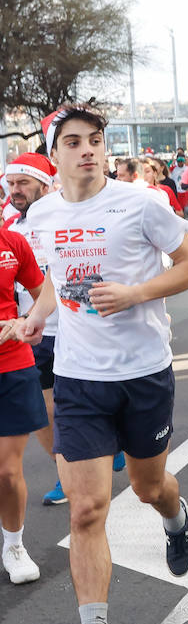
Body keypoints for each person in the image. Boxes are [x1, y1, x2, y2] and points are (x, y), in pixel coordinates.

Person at [8, 104, 188, 624]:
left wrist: (136, 293)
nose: (87, 150)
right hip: (77, 379)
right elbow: (54, 278)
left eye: (95, 140)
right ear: (55, 153)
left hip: (143, 372)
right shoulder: (41, 215)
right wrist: (37, 316)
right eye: (74, 142)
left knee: (148, 487)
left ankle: (176, 515)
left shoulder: (141, 202)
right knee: (87, 508)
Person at [4, 154, 72, 508]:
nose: (15, 190)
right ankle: (65, 472)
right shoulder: (11, 229)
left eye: (23, 183)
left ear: (44, 185)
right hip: (36, 331)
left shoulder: (67, 216)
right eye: (10, 183)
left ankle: (110, 444)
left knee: (86, 400)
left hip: (77, 327)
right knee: (45, 408)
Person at [0, 183, 46, 587]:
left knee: (7, 471)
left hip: (13, 366)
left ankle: (13, 544)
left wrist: (22, 322)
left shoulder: (13, 242)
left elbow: (43, 294)